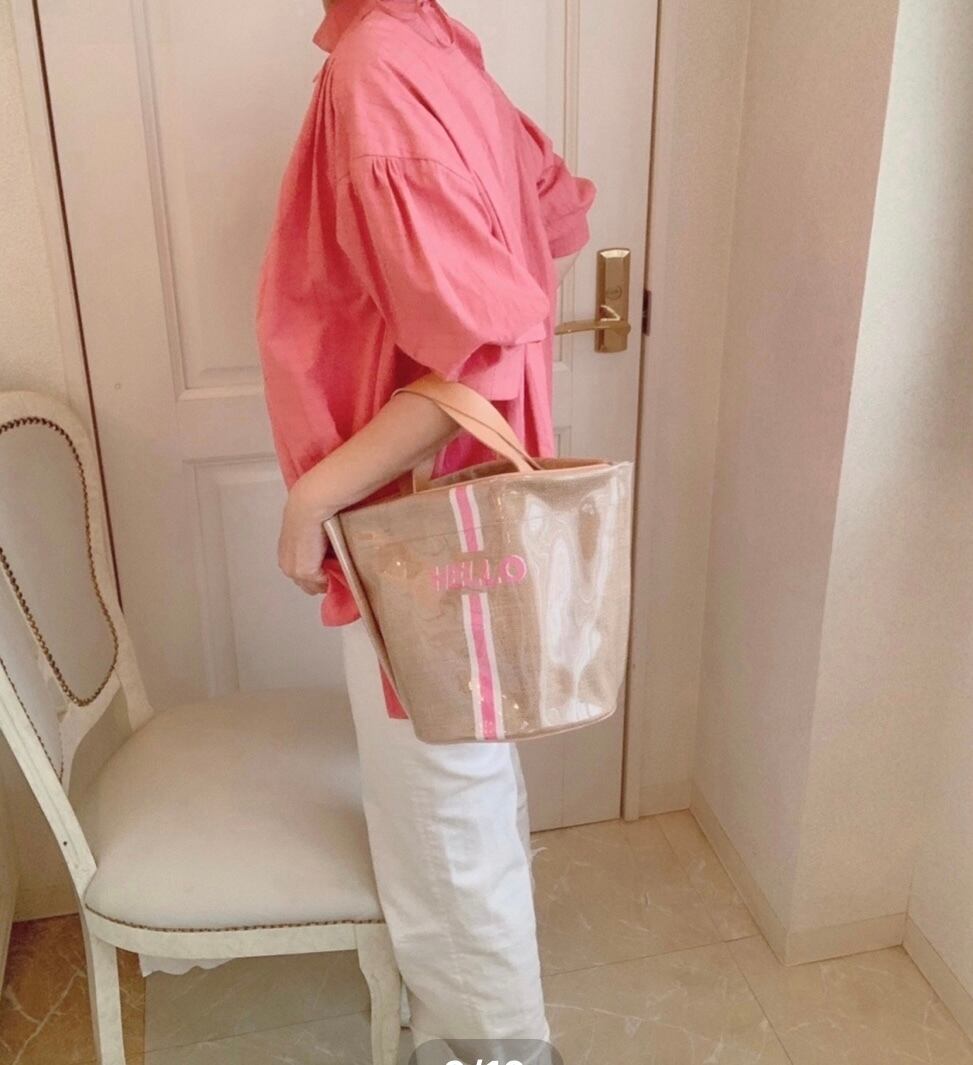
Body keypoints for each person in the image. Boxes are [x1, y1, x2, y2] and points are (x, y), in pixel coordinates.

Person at [255, 0, 596, 1057]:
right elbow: (552, 224)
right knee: (462, 787)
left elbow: (481, 351)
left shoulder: (376, 70)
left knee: (441, 808)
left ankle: (493, 1047)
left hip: (415, 522)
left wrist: (314, 495)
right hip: (454, 507)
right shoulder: (434, 49)